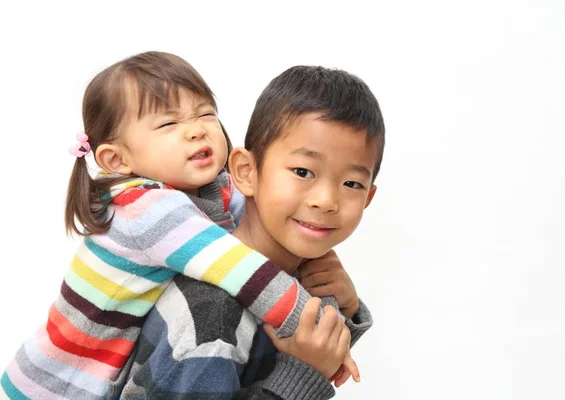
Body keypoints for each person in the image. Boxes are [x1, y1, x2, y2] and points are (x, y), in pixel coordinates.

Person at [0, 52, 358, 400]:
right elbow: (244, 267)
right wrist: (318, 331)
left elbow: (270, 227)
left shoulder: (212, 187)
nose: (197, 131)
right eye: (169, 124)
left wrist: (338, 300)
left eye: (205, 114)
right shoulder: (149, 210)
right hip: (55, 384)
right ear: (117, 159)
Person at [118, 64, 385, 399]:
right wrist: (304, 374)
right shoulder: (209, 317)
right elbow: (300, 370)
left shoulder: (302, 277)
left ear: (369, 197)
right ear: (245, 171)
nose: (326, 200)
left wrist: (343, 310)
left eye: (351, 183)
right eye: (303, 171)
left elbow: (300, 357)